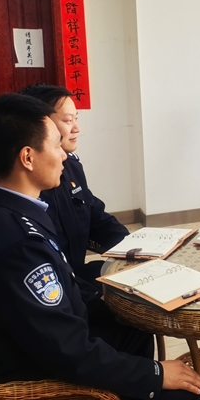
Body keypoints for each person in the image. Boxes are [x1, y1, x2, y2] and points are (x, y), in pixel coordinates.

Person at [0, 93, 200, 400]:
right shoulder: (18, 242)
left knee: (129, 326)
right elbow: (69, 352)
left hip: (26, 358)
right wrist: (154, 374)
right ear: (27, 157)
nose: (64, 155)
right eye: (56, 144)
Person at [21, 84, 129, 288]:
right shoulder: (26, 184)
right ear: (43, 125)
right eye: (68, 121)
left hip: (75, 277)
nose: (76, 128)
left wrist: (133, 248)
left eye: (76, 119)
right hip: (57, 285)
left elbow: (95, 215)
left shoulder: (72, 167)